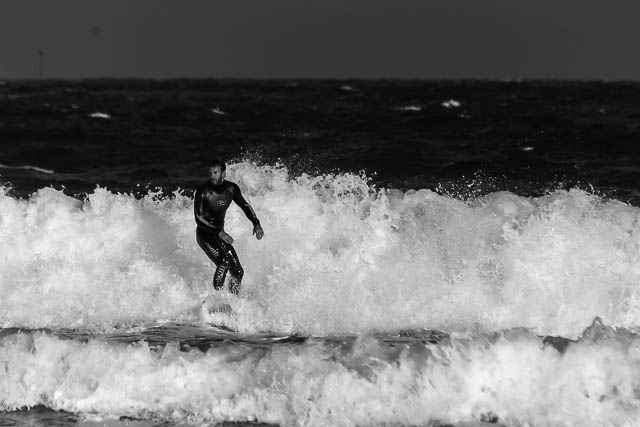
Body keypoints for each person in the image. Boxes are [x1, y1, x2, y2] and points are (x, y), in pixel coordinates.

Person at [194, 158, 264, 294]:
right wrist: (219, 232)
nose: (212, 176)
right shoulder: (203, 191)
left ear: (223, 173)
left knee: (238, 271)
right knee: (223, 263)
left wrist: (256, 223)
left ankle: (232, 298)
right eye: (210, 173)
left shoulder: (231, 188)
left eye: (215, 172)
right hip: (205, 235)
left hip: (220, 235)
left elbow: (245, 206)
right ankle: (218, 298)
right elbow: (199, 218)